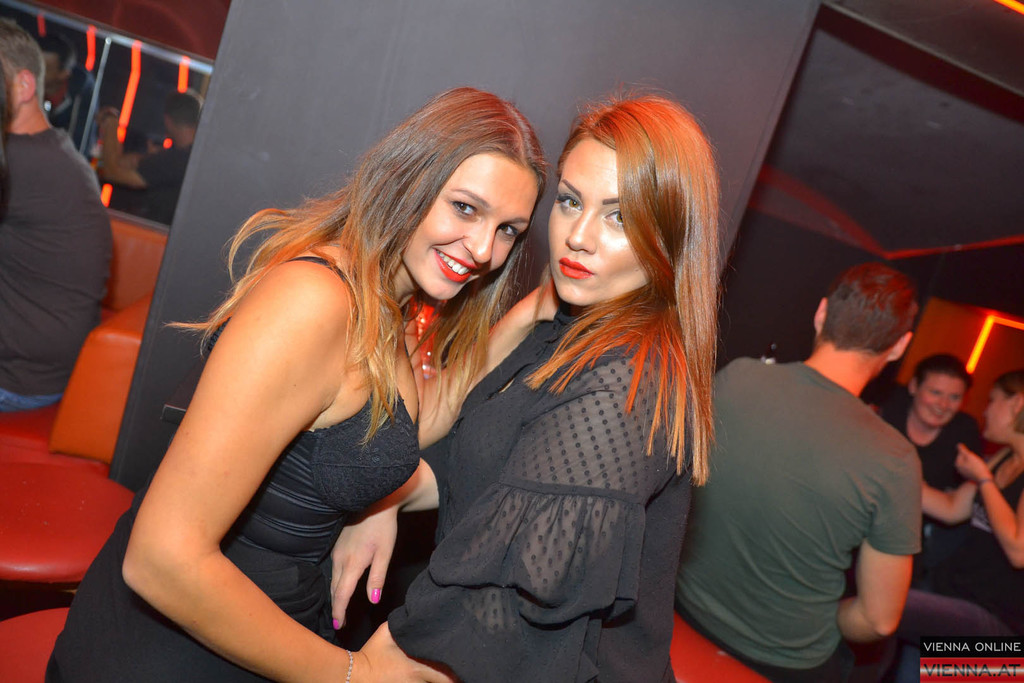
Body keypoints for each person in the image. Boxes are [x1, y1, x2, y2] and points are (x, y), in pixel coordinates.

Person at [47, 86, 546, 682]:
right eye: (465, 208)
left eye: (509, 230)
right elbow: (160, 559)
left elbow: (403, 423)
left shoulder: (387, 303)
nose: (485, 249)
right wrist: (356, 675)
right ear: (406, 179)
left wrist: (527, 315)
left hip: (267, 633)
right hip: (168, 655)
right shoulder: (314, 301)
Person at [332, 94, 722, 682]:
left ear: (671, 235)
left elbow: (494, 622)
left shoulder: (625, 384)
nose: (578, 237)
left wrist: (347, 670)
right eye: (570, 201)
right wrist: (383, 501)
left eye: (619, 217)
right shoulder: (575, 319)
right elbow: (482, 458)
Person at [674, 262, 922, 683]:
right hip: (782, 662)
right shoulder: (895, 459)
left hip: (681, 610)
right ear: (899, 346)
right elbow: (879, 621)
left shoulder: (737, 376)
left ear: (822, 314)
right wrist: (828, 620)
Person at [0, 19, 111, 412]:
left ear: (23, 86)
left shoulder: (22, 162)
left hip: (18, 379)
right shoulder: (52, 151)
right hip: (43, 367)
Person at [900, 369, 1024, 637]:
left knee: (884, 605)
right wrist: (889, 473)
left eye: (992, 400)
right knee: (885, 616)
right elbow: (951, 508)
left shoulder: (989, 471)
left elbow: (1019, 551)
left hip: (997, 623)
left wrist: (984, 479)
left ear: (1017, 404)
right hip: (955, 592)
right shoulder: (1003, 457)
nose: (986, 411)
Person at [878, 354, 982, 581]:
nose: (943, 405)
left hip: (912, 534)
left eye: (954, 397)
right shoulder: (887, 405)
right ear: (914, 386)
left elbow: (961, 501)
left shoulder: (964, 432)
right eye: (935, 392)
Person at [98, 88, 203, 224]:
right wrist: (143, 159)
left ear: (167, 120)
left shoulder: (175, 160)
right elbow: (126, 163)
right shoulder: (190, 157)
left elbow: (112, 172)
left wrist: (111, 124)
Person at [39, 32, 96, 152]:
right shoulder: (22, 85)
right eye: (36, 64)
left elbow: (78, 150)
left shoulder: (80, 96)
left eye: (46, 68)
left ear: (63, 74)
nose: (37, 71)